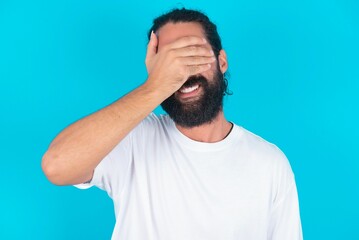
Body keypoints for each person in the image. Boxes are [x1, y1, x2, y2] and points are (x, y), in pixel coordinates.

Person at [42, 8, 303, 240]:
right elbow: (57, 165)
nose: (182, 72)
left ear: (221, 61)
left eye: (192, 54)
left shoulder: (270, 163)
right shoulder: (134, 138)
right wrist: (155, 86)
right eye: (169, 62)